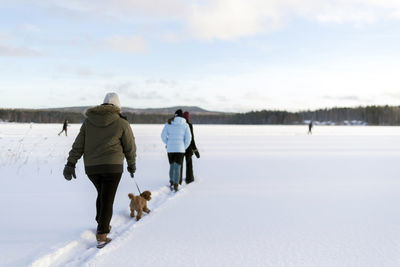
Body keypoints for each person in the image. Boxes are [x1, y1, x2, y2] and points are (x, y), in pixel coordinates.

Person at [62, 92, 136, 249]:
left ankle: (102, 221)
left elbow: (78, 144)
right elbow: (130, 146)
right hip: (113, 167)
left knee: (103, 195)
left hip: (92, 168)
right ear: (118, 106)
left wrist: (71, 163)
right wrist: (131, 164)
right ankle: (102, 234)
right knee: (107, 199)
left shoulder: (89, 122)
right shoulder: (122, 123)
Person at [161, 109, 191, 192]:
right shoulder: (185, 125)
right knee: (178, 166)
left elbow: (162, 136)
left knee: (172, 165)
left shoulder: (168, 123)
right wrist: (183, 147)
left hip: (170, 149)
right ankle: (176, 184)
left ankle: (171, 181)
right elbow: (188, 138)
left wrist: (168, 142)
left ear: (175, 115)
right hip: (180, 149)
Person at [179, 111, 200, 184]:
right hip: (188, 148)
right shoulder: (189, 125)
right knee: (189, 164)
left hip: (180, 147)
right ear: (188, 118)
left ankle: (179, 180)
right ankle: (190, 179)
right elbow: (192, 139)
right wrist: (195, 150)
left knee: (180, 165)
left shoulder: (180, 125)